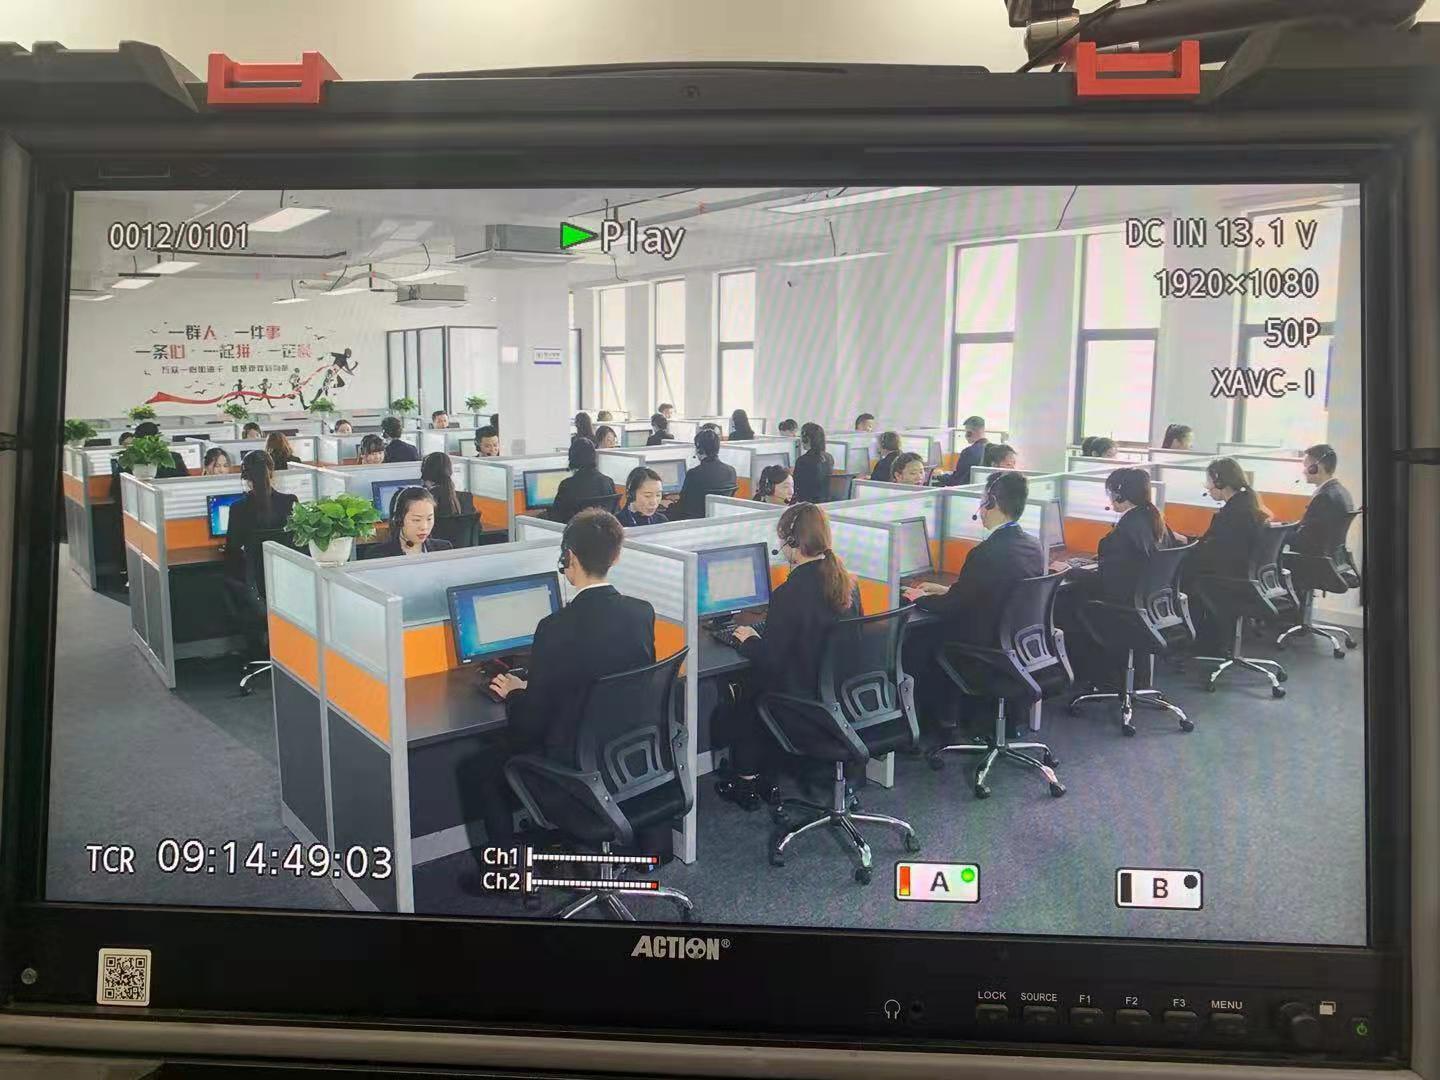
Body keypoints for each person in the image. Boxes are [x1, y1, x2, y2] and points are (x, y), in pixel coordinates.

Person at [479, 509, 655, 845]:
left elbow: (531, 724)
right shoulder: (641, 612)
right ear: (616, 556)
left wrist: (516, 692)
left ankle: (504, 869)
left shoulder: (554, 627)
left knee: (483, 767)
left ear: (569, 557)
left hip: (574, 765)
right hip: (627, 754)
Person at [716, 502, 861, 809]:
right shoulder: (847, 583)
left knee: (744, 692)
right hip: (842, 698)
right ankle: (768, 774)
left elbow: (770, 658)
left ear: (792, 542)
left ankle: (746, 783)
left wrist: (748, 640)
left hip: (804, 706)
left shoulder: (789, 594)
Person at [902, 472, 1045, 728]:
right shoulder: (1033, 545)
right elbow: (988, 590)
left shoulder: (986, 553)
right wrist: (946, 589)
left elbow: (954, 606)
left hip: (984, 647)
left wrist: (919, 598)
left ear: (991, 503)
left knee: (918, 640)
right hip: (1014, 643)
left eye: (982, 501)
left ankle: (934, 723)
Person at [1052, 467, 1177, 686]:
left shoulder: (1125, 532)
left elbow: (1106, 583)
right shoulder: (1156, 521)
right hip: (1150, 609)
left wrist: (1069, 570)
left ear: (1119, 495)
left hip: (1124, 612)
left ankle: (1085, 679)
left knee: (1066, 603)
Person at [1183, 457, 1271, 650]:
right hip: (1245, 576)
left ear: (1220, 482)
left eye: (1209, 481)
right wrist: (1189, 541)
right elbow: (1218, 544)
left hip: (1229, 579)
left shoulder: (1233, 514)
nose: (1207, 487)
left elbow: (1212, 553)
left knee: (1182, 573)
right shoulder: (1248, 503)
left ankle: (1195, 639)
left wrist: (1183, 550)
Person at [222, 451, 300, 658]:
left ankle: (256, 648)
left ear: (245, 477)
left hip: (254, 589)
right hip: (288, 585)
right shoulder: (290, 502)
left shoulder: (238, 509)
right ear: (272, 473)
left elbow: (232, 551)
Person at [1291, 443, 1355, 558]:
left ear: (1317, 468)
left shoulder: (1324, 497)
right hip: (1331, 559)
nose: (1304, 471)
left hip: (1315, 562)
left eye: (1306, 466)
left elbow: (1304, 542)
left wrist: (1279, 535)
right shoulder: (1342, 492)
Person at [367, 487, 454, 558]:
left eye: (429, 519)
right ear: (399, 519)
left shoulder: (444, 548)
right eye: (416, 520)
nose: (424, 527)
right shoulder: (378, 554)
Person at [673, 427, 739, 519]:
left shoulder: (694, 474)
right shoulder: (731, 471)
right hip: (719, 520)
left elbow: (683, 504)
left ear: (699, 449)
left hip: (694, 521)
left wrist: (669, 506)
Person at [549, 437, 616, 524]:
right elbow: (615, 514)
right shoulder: (608, 482)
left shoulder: (567, 485)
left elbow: (556, 518)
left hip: (576, 531)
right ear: (594, 457)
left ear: (572, 458)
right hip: (604, 531)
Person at [422, 451, 474, 518]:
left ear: (424, 473)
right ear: (450, 471)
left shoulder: (425, 500)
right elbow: (474, 524)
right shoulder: (466, 498)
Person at [792, 422, 834, 504]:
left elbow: (796, 486)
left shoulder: (802, 460)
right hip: (824, 503)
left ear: (806, 439)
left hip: (806, 504)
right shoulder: (829, 457)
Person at [942, 415, 988, 487]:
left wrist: (941, 476)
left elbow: (956, 480)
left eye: (968, 432)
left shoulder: (969, 452)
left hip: (966, 490)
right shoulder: (992, 449)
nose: (966, 436)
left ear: (978, 431)